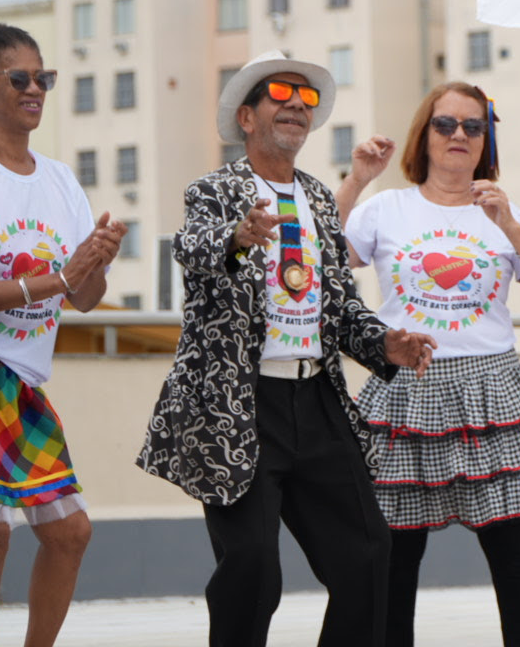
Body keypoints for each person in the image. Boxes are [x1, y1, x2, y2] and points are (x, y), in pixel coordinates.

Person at [137, 50, 436, 647]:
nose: (298, 104)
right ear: (246, 118)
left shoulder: (320, 200)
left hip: (316, 401)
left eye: (307, 98)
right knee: (252, 571)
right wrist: (237, 237)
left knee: (368, 554)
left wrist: (384, 343)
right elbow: (192, 254)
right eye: (280, 92)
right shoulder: (214, 191)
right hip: (238, 403)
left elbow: (340, 304)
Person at [336, 82, 520, 647]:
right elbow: (321, 255)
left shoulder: (505, 210)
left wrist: (511, 225)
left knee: (511, 551)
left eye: (473, 126)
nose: (459, 136)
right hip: (408, 386)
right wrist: (357, 179)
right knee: (397, 555)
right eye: (446, 124)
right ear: (426, 134)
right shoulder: (386, 207)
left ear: (485, 141)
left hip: (492, 389)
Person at [0, 17, 126, 647]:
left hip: (23, 381)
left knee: (69, 533)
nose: (35, 89)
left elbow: (85, 300)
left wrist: (96, 262)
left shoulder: (60, 180)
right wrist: (64, 275)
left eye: (43, 77)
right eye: (19, 78)